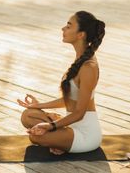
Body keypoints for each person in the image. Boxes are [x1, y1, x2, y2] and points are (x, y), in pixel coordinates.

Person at [17, 11, 105, 155]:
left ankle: (61, 140)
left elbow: (80, 113)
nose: (63, 29)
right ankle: (60, 139)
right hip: (71, 124)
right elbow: (70, 99)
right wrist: (38, 105)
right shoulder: (80, 60)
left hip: (85, 134)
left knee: (35, 136)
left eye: (69, 26)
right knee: (28, 115)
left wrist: (51, 126)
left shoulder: (89, 67)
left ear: (81, 34)